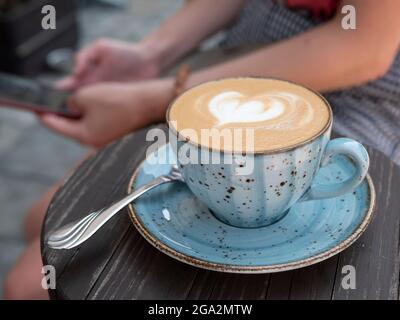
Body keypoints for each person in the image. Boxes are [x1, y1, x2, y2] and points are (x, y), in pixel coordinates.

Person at [4, 0, 400, 299]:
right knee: (37, 223)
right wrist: (153, 54)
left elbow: (363, 44)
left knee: (29, 286)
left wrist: (152, 98)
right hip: (230, 66)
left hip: (355, 93)